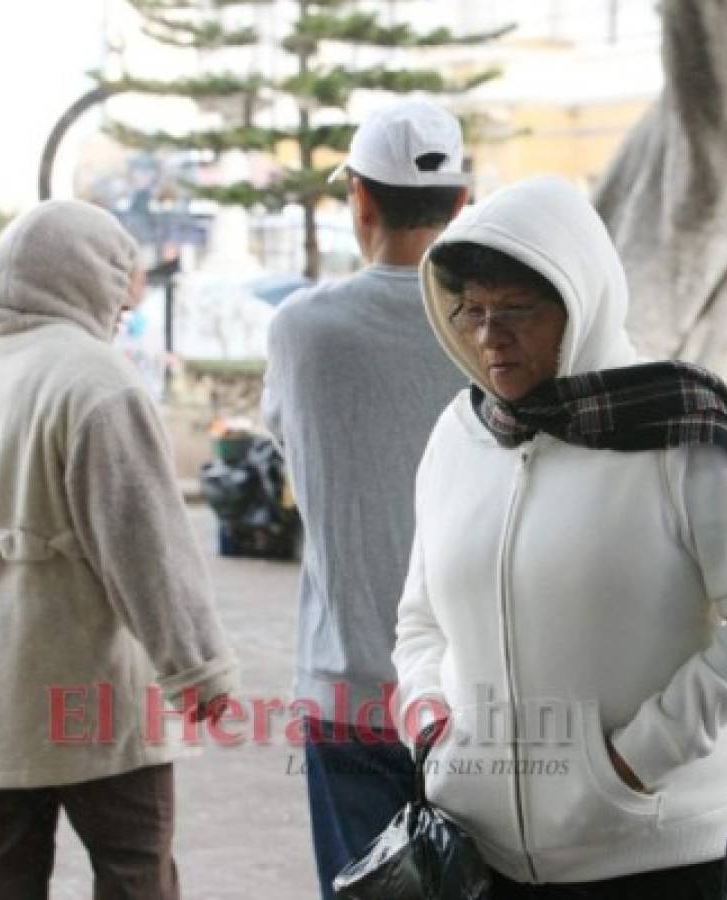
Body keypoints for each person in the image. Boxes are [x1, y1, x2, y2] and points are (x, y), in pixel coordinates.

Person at [392, 175, 727, 898]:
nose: (487, 336)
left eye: (516, 311)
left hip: (655, 855)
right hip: (481, 850)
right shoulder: (460, 434)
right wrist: (429, 720)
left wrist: (633, 760)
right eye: (470, 311)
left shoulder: (677, 430)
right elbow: (420, 615)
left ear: (579, 301)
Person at [0, 200, 238, 900]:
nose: (122, 306)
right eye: (117, 282)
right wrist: (198, 670)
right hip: (91, 683)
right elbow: (145, 544)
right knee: (134, 867)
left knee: (3, 868)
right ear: (81, 278)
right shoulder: (96, 379)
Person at [261, 98, 468, 896]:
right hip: (474, 686)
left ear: (361, 200)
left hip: (344, 683)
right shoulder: (496, 330)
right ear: (459, 203)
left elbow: (291, 442)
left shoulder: (300, 329)